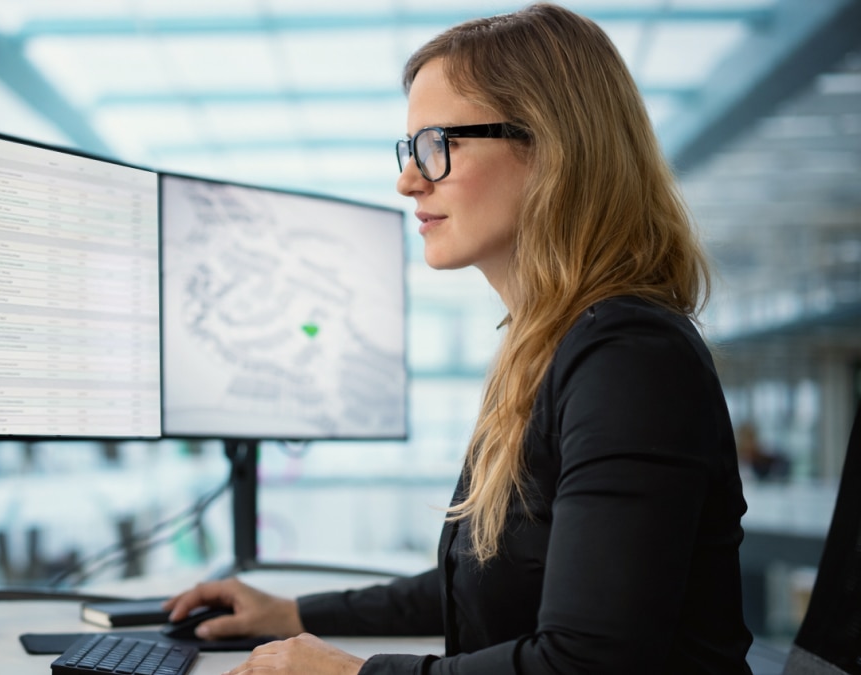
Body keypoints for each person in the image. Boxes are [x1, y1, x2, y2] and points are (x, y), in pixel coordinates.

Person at [163, 3, 755, 674]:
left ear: (550, 147)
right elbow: (483, 585)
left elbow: (587, 662)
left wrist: (351, 674)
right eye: (410, 148)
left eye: (438, 144)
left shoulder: (629, 358)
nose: (408, 178)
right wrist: (295, 614)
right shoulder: (551, 348)